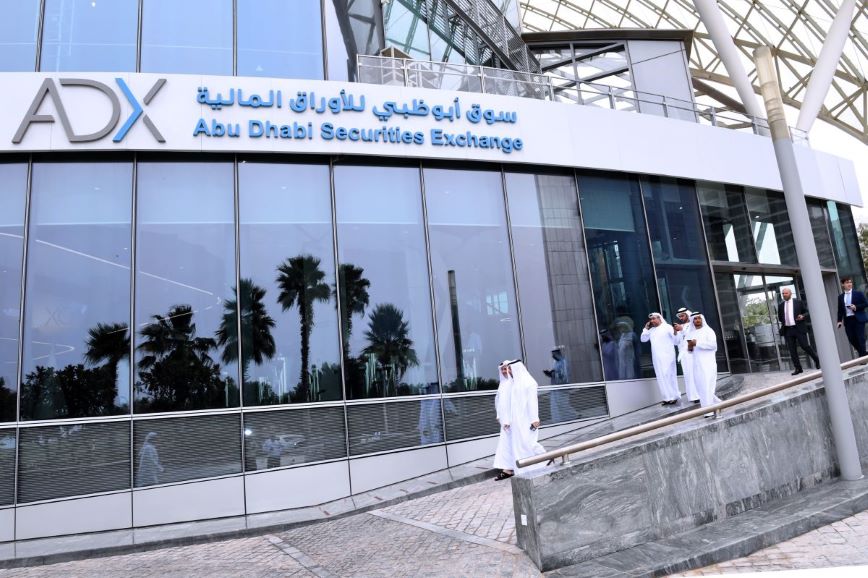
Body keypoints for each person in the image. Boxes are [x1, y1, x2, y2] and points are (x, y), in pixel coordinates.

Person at [493, 359, 546, 480]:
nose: (508, 371)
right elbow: (503, 403)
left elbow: (532, 402)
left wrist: (534, 419)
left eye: (509, 368)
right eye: (506, 369)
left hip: (525, 419)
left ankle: (545, 458)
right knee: (518, 446)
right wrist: (503, 418)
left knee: (528, 443)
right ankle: (518, 469)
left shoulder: (529, 383)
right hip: (514, 421)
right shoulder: (514, 384)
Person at [777, 287, 820, 375]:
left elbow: (807, 312)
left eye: (786, 293)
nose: (784, 295)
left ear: (790, 294)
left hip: (798, 328)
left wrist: (802, 316)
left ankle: (817, 360)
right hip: (788, 330)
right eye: (783, 294)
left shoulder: (798, 302)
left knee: (805, 346)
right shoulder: (781, 305)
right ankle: (798, 368)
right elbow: (780, 318)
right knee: (792, 350)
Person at [640, 313, 680, 405]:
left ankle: (674, 396)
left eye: (654, 318)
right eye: (651, 319)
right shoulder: (651, 330)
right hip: (657, 358)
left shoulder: (667, 327)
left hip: (668, 356)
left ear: (659, 318)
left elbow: (676, 341)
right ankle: (666, 398)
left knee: (669, 376)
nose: (652, 321)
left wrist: (676, 332)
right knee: (660, 377)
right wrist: (646, 329)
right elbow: (643, 339)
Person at [688, 312, 721, 418]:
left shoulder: (708, 331)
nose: (697, 320)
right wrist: (690, 347)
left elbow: (713, 346)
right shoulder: (690, 333)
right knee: (701, 387)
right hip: (696, 364)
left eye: (699, 318)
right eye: (695, 319)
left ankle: (708, 411)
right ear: (692, 321)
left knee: (707, 386)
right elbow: (689, 351)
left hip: (708, 363)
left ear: (702, 319)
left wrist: (697, 343)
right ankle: (717, 404)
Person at [836, 277, 868, 358]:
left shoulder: (858, 293)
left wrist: (856, 307)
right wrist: (839, 321)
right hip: (848, 320)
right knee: (851, 338)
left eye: (850, 282)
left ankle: (863, 357)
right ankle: (863, 353)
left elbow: (866, 303)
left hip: (858, 319)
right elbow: (840, 310)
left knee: (860, 338)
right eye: (847, 282)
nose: (849, 284)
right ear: (843, 284)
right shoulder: (840, 297)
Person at [673, 307, 699, 404]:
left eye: (682, 316)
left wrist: (682, 329)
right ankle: (692, 396)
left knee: (694, 374)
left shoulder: (693, 324)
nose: (681, 318)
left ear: (687, 315)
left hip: (691, 353)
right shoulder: (680, 327)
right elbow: (676, 342)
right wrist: (675, 332)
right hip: (683, 354)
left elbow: (692, 336)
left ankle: (698, 395)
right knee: (687, 375)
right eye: (679, 316)